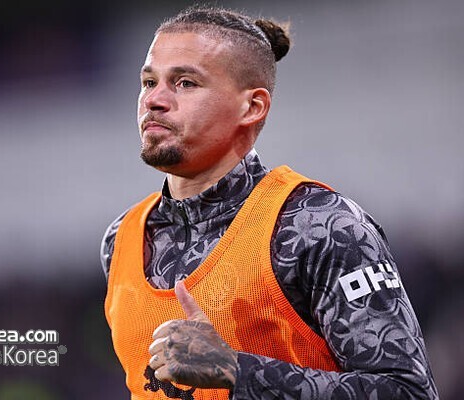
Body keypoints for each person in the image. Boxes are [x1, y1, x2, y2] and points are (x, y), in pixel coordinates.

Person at [101, 6, 438, 400]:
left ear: (252, 106)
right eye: (148, 81)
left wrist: (237, 370)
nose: (154, 100)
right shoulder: (120, 240)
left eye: (186, 83)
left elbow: (408, 392)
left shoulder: (319, 226)